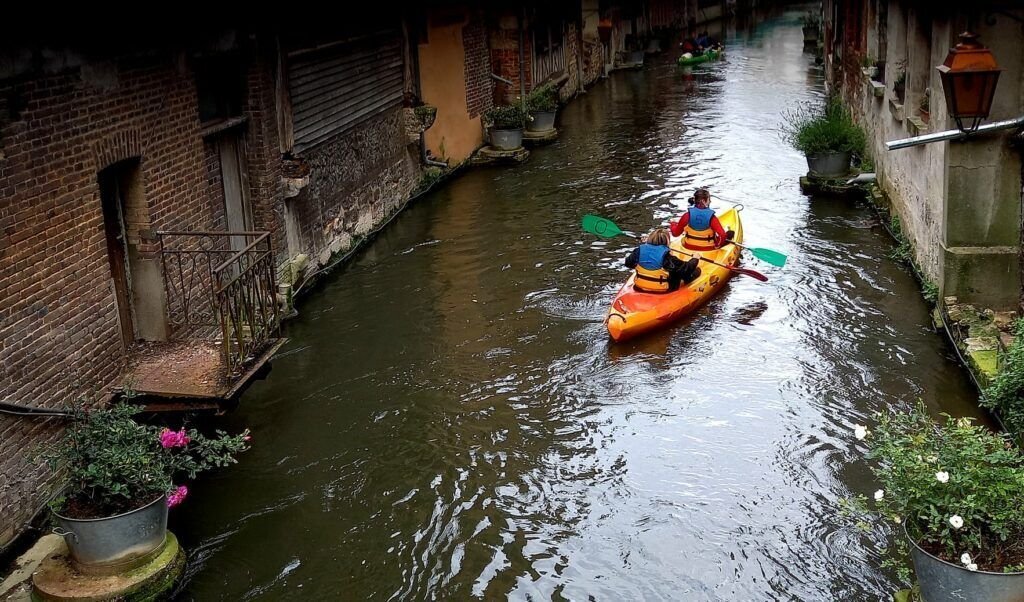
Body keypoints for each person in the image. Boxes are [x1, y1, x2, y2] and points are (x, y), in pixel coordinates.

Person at [624, 228, 701, 293]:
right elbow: (687, 268)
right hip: (664, 289)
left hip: (640, 286)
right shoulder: (667, 257)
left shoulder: (638, 251)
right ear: (666, 242)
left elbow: (628, 263)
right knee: (695, 271)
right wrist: (695, 258)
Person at [669, 188, 733, 250]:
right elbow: (723, 235)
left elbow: (675, 234)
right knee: (730, 233)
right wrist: (717, 245)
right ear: (703, 201)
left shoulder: (686, 216)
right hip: (708, 249)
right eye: (709, 199)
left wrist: (673, 224)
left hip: (689, 247)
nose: (710, 201)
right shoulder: (713, 218)